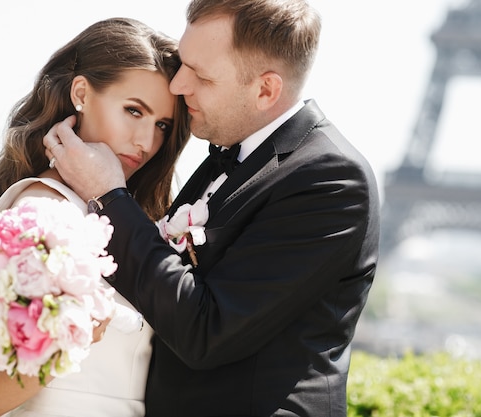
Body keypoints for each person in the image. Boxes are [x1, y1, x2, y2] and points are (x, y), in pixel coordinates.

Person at [45, 0, 380, 415]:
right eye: (184, 63)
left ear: (266, 90)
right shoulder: (228, 156)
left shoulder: (330, 180)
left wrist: (109, 195)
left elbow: (207, 330)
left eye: (201, 75)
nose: (178, 85)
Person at [0, 17, 189, 417]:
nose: (146, 142)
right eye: (133, 111)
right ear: (81, 93)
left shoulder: (121, 216)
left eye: (162, 125)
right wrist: (69, 339)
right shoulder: (41, 211)